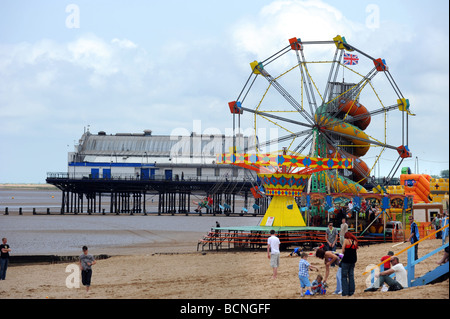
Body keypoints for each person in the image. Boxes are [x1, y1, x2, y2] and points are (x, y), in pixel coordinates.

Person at [341, 232, 358, 296]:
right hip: (353, 260)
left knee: (344, 276)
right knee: (351, 276)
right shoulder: (355, 241)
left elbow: (343, 250)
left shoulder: (346, 241)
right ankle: (351, 291)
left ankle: (345, 292)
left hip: (346, 260)